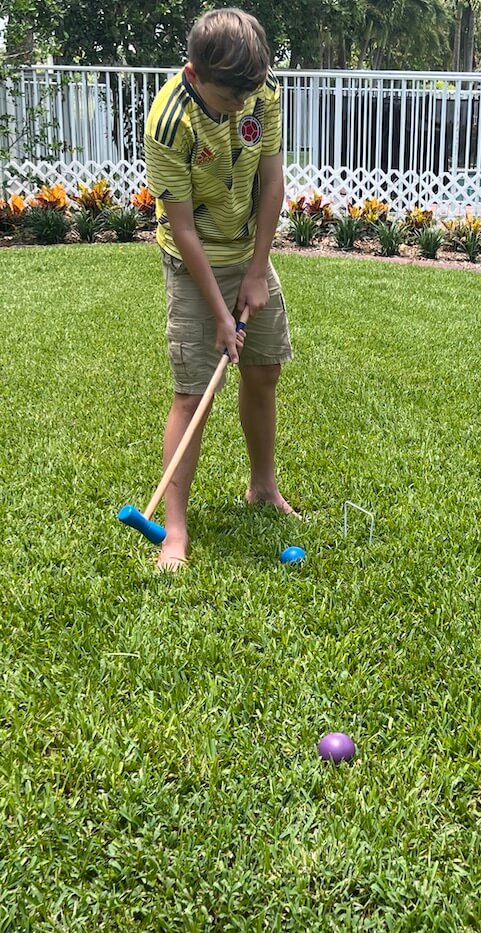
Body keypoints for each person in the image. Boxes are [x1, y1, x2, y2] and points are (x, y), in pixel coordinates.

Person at [144, 7, 296, 571]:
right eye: (229, 97)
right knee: (192, 393)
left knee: (264, 369)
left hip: (247, 252)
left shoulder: (261, 91)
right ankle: (175, 529)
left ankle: (262, 486)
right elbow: (181, 227)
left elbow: (273, 183)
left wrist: (257, 272)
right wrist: (218, 312)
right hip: (193, 265)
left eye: (247, 95)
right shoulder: (169, 121)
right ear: (194, 73)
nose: (241, 106)